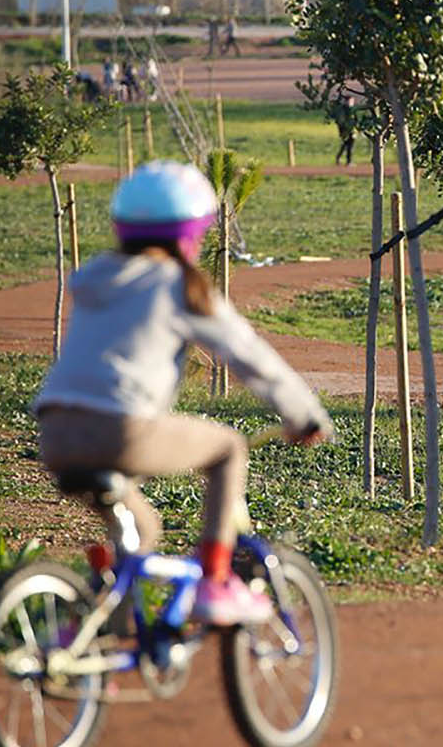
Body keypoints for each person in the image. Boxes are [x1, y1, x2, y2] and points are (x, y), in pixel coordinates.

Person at [31, 160, 334, 625]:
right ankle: (214, 580)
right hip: (120, 429)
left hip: (54, 432)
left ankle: (87, 639)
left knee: (142, 532)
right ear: (192, 232)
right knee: (229, 447)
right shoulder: (178, 283)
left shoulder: (96, 277)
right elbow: (248, 354)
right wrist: (304, 415)